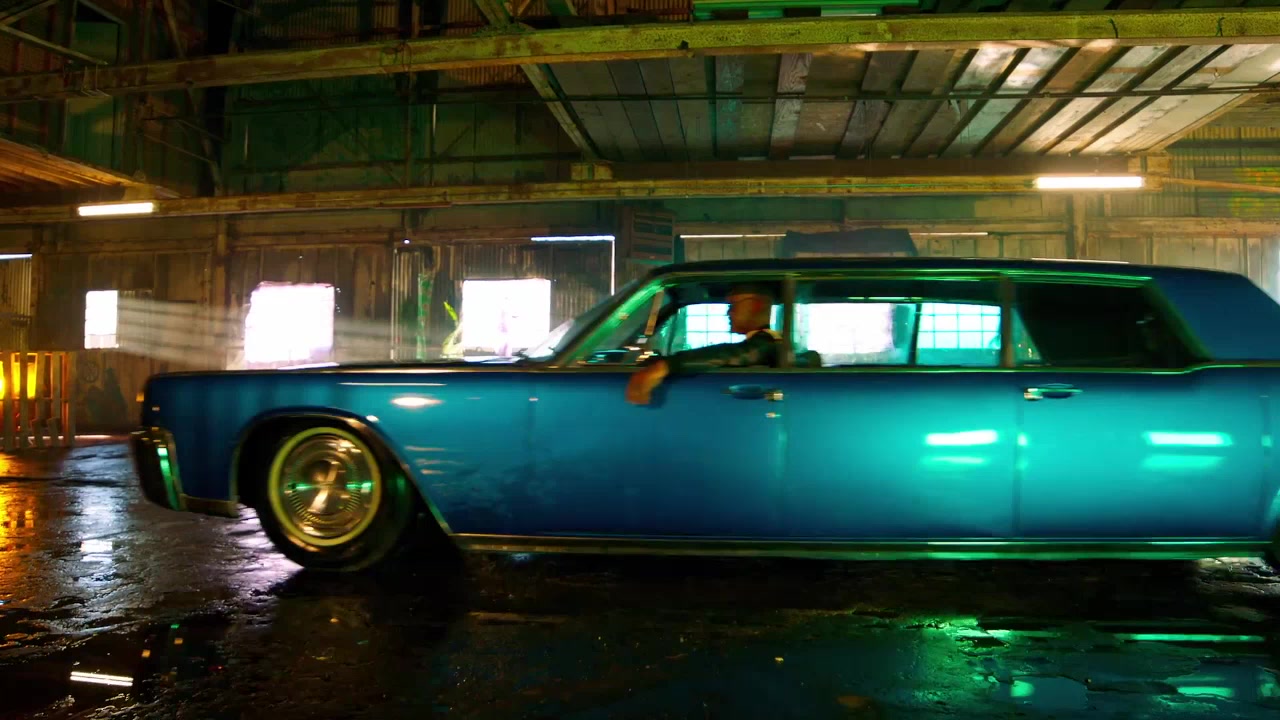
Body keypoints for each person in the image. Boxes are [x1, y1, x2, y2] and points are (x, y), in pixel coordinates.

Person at [625, 283, 780, 405]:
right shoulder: (765, 342)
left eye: (733, 305)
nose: (728, 313)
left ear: (756, 306)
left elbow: (737, 354)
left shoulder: (766, 343)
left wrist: (666, 366)